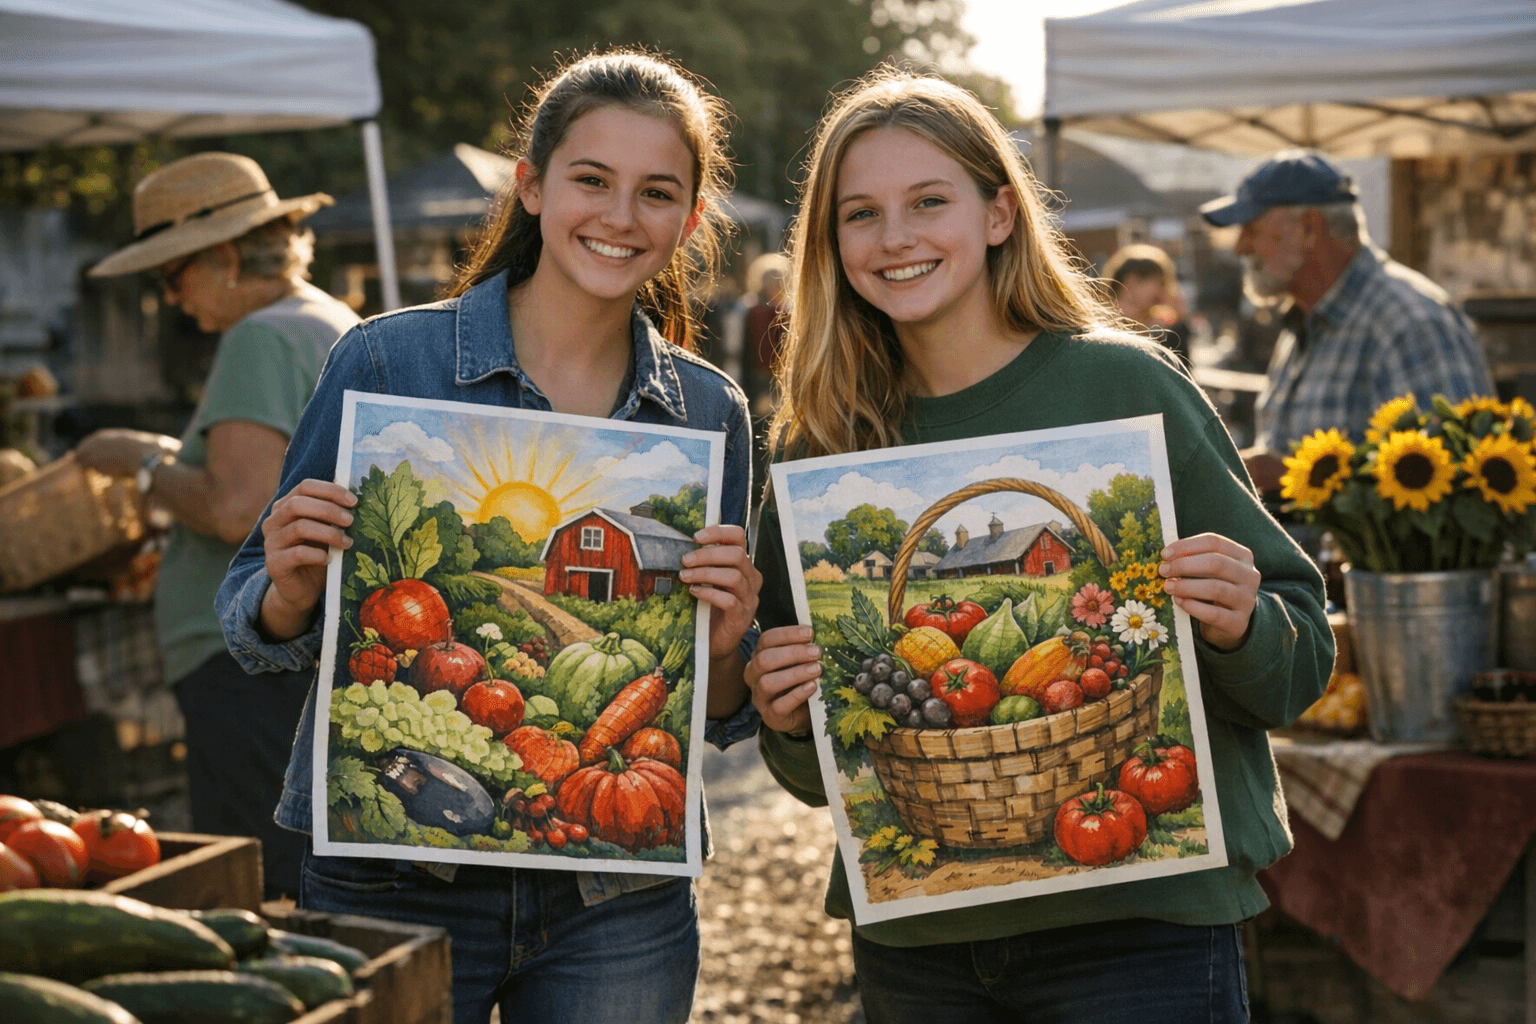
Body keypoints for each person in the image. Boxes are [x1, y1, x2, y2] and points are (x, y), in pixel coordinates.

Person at [743, 71, 1332, 1023]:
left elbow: (1295, 665)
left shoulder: (1124, 389)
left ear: (1000, 215)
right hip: (924, 947)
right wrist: (782, 715)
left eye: (929, 201)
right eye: (861, 213)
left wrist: (1242, 625)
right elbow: (828, 780)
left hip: (1141, 933)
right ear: (830, 243)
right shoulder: (822, 444)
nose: (896, 237)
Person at [213, 51, 760, 1024]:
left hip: (614, 896)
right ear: (534, 184)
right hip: (392, 877)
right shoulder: (385, 360)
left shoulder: (709, 410)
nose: (619, 216)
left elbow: (713, 707)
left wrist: (722, 644)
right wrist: (291, 586)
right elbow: (251, 609)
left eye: (657, 193)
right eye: (592, 179)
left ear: (688, 219)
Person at [75, 152, 359, 900]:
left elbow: (239, 507)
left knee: (252, 885)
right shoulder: (331, 319)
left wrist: (140, 465)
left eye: (173, 276)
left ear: (227, 257)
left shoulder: (258, 337)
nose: (171, 299)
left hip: (240, 655)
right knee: (307, 870)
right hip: (298, 647)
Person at [1199, 148, 1496, 495]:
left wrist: (1295, 476)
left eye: (1252, 229)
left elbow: (1460, 490)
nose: (1240, 248)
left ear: (1309, 228)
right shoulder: (1307, 321)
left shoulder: (1412, 323)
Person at [1100, 242, 1190, 364]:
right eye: (1160, 283)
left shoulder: (1150, 323)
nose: (1161, 292)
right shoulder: (1107, 328)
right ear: (1132, 281)